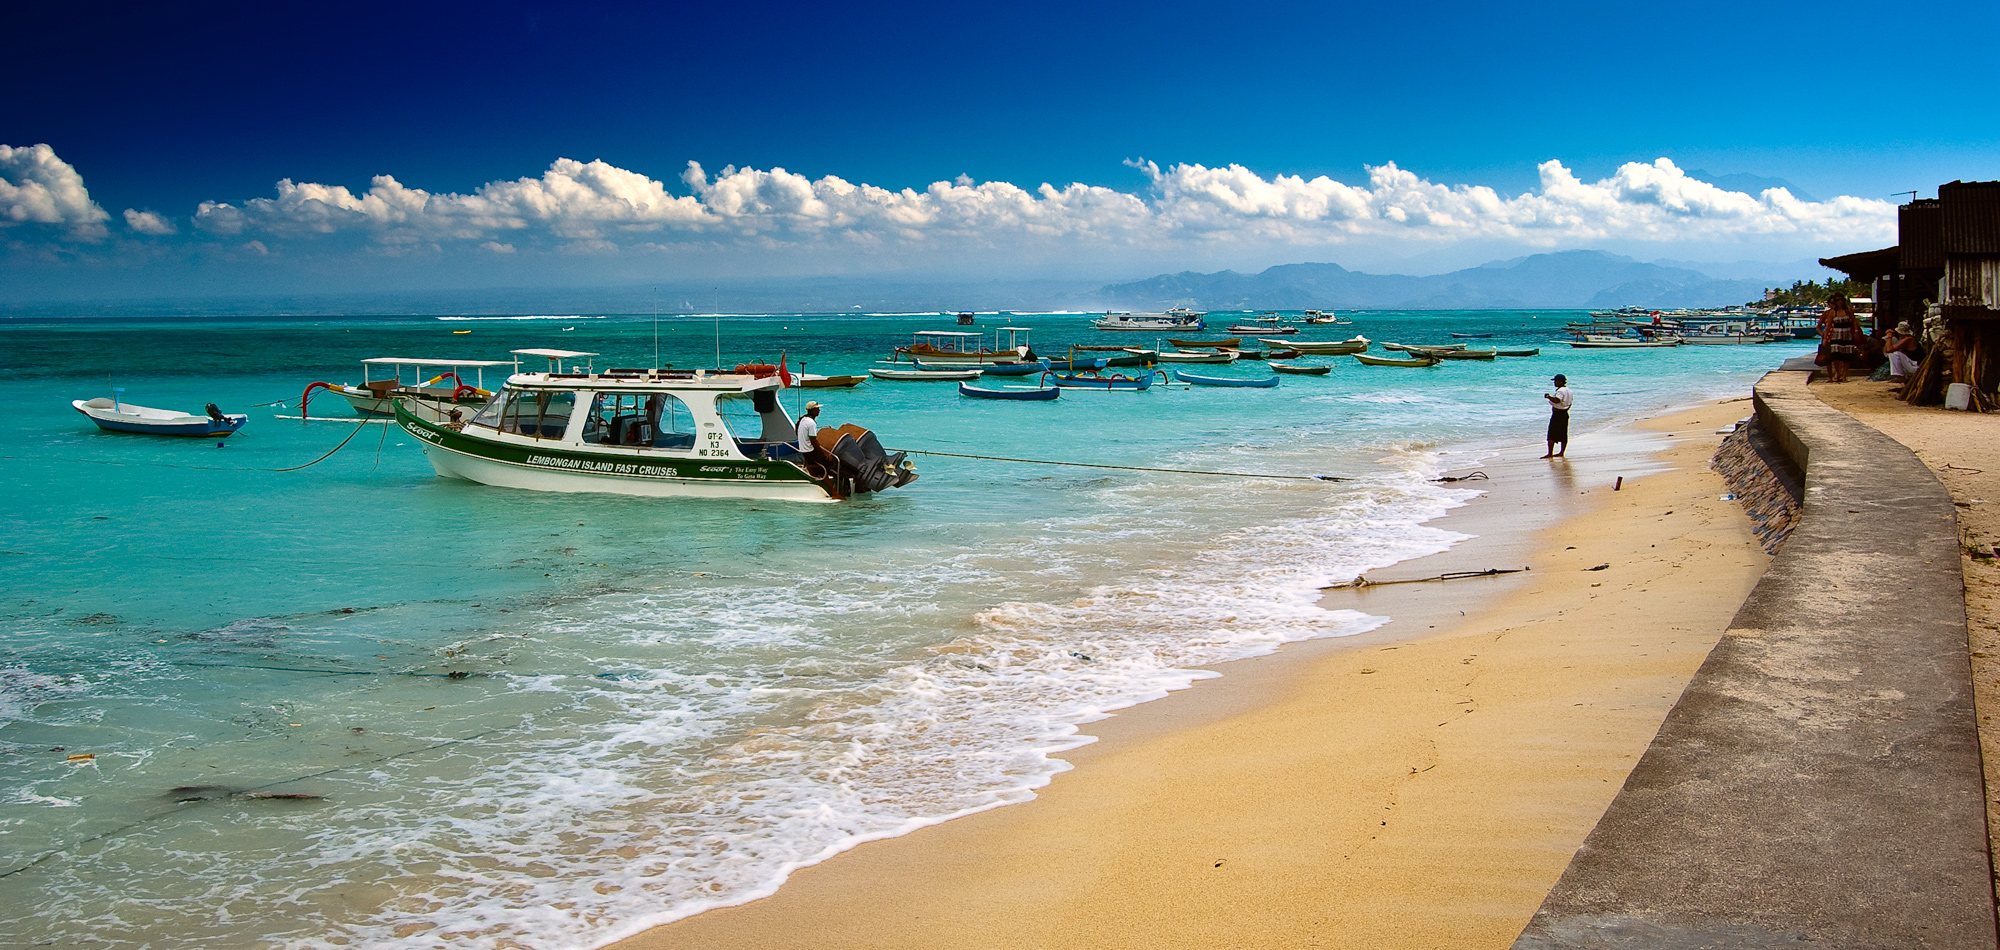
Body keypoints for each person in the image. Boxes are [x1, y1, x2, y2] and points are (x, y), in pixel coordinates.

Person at [1821, 298, 1861, 382]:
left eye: (1841, 300)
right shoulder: (1831, 312)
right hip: (1836, 335)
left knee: (1847, 356)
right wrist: (1824, 337)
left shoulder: (1848, 310)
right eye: (1838, 300)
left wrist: (1856, 331)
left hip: (1847, 334)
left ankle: (1844, 375)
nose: (1840, 302)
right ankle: (1837, 373)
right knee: (1835, 355)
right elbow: (1827, 326)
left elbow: (1854, 321)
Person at [1541, 374, 1572, 459]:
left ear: (1560, 381)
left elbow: (1557, 400)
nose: (1554, 383)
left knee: (1551, 433)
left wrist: (1549, 397)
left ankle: (1550, 453)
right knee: (1563, 433)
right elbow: (1570, 403)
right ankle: (1561, 452)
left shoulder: (1560, 391)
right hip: (1565, 413)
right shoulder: (1568, 390)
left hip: (1558, 414)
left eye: (1555, 381)